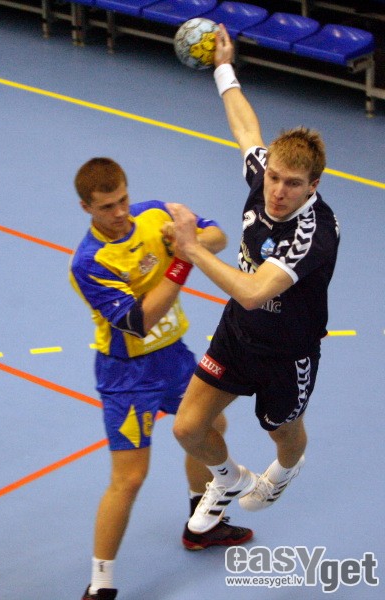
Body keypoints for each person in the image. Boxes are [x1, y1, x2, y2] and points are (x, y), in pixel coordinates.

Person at [169, 24, 340, 536]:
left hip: (288, 353)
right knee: (187, 428)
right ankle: (228, 478)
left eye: (293, 184)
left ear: (313, 186)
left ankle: (285, 473)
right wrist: (224, 68)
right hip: (238, 334)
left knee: (284, 434)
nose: (278, 191)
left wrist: (192, 248)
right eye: (274, 177)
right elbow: (246, 128)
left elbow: (252, 290)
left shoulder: (314, 232)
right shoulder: (265, 176)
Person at [69, 157, 253, 600]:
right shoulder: (89, 262)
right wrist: (182, 259)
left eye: (123, 199)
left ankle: (201, 522)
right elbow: (139, 321)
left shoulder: (154, 213)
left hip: (174, 358)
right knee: (130, 479)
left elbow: (218, 236)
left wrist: (188, 240)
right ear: (86, 208)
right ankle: (101, 584)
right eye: (107, 207)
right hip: (127, 375)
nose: (120, 212)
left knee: (209, 427)